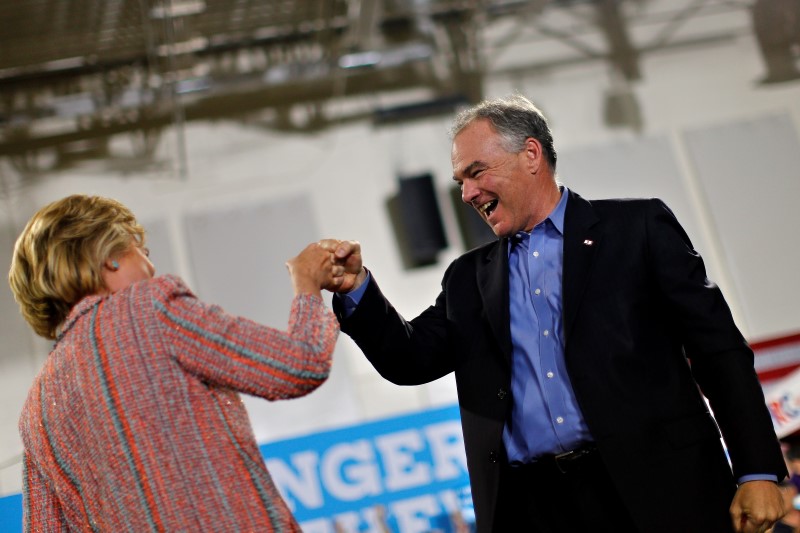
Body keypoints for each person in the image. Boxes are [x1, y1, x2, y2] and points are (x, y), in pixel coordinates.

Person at [317, 94, 788, 533]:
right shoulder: (467, 280)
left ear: (530, 155)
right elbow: (410, 358)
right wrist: (357, 289)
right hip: (537, 507)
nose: (467, 193)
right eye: (461, 180)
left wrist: (757, 469)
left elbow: (718, 351)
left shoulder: (636, 229)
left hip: (662, 490)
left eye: (477, 172)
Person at [8, 194, 343, 531]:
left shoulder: (35, 412)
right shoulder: (148, 309)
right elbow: (300, 363)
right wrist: (307, 282)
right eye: (142, 252)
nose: (151, 267)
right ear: (110, 257)